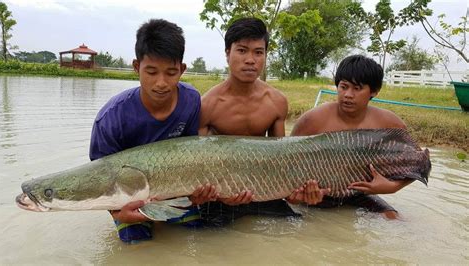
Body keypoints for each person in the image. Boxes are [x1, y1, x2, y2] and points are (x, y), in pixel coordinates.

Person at [89, 19, 217, 243]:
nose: (161, 83)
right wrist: (118, 214)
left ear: (182, 70)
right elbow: (100, 182)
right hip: (131, 202)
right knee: (137, 247)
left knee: (196, 239)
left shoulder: (191, 100)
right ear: (137, 67)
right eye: (151, 72)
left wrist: (196, 195)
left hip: (174, 193)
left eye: (171, 73)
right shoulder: (110, 119)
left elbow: (192, 155)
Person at [198, 17, 330, 226]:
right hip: (221, 194)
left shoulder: (276, 101)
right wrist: (221, 194)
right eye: (242, 50)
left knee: (295, 228)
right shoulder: (207, 105)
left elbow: (282, 157)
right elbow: (198, 163)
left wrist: (296, 192)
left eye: (258, 52)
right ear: (227, 54)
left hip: (264, 189)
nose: (250, 60)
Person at [291, 54, 414, 219]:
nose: (348, 94)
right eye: (343, 86)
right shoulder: (312, 120)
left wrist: (392, 187)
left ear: (374, 91)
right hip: (318, 194)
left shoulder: (389, 124)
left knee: (392, 217)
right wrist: (299, 193)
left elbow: (420, 164)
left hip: (359, 192)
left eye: (357, 88)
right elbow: (286, 161)